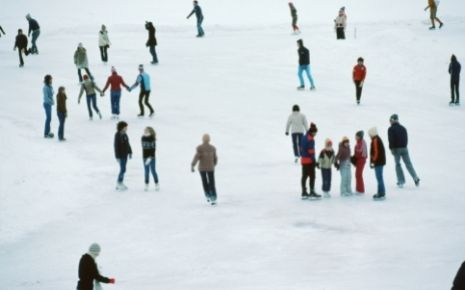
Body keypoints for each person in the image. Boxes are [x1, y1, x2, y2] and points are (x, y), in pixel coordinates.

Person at [388, 114, 420, 188]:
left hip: (396, 149)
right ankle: (415, 177)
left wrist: (392, 148)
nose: (389, 122)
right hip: (404, 148)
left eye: (390, 120)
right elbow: (406, 138)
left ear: (393, 120)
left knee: (397, 164)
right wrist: (404, 146)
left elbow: (391, 140)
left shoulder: (391, 129)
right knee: (408, 163)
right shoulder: (403, 128)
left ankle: (401, 181)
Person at [191, 134, 218, 205]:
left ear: (202, 139)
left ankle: (207, 194)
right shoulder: (213, 148)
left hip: (202, 168)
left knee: (204, 181)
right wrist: (213, 164)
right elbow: (215, 159)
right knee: (211, 182)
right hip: (210, 168)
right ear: (209, 139)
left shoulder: (200, 148)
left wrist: (192, 165)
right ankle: (213, 197)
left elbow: (196, 157)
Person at [300, 123, 321, 199]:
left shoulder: (304, 137)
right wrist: (314, 161)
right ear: (313, 132)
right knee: (312, 176)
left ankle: (304, 192)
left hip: (303, 160)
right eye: (315, 133)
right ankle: (312, 191)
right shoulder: (310, 139)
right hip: (309, 161)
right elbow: (311, 151)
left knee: (304, 176)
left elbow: (301, 148)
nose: (316, 134)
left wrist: (302, 156)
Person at [368, 127, 386, 200]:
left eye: (370, 134)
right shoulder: (377, 139)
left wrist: (373, 162)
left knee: (379, 178)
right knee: (379, 178)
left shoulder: (375, 140)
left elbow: (376, 152)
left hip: (378, 162)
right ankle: (381, 192)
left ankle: (381, 193)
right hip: (380, 161)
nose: (369, 136)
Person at [114, 121, 132, 191]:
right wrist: (117, 156)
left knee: (123, 169)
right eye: (125, 127)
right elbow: (116, 146)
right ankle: (119, 183)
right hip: (121, 155)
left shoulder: (125, 134)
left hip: (125, 155)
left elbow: (128, 144)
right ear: (122, 127)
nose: (127, 128)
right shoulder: (117, 135)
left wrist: (130, 152)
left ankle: (120, 182)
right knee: (123, 169)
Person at [141, 127, 160, 191]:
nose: (145, 131)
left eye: (147, 130)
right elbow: (144, 148)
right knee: (146, 172)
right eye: (145, 130)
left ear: (150, 131)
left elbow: (153, 149)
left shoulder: (152, 138)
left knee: (153, 171)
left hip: (152, 157)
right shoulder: (143, 138)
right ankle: (146, 184)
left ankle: (156, 183)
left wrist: (150, 157)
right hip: (144, 157)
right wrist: (145, 158)